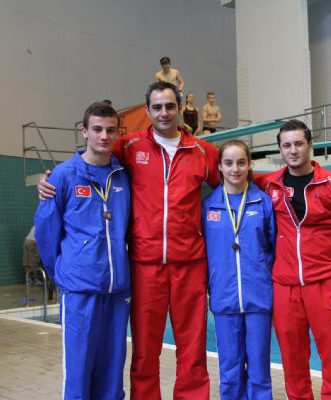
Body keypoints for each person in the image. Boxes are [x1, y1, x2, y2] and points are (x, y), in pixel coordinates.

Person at [38, 82, 219, 399]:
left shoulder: (204, 152)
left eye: (170, 106)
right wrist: (52, 178)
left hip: (190, 262)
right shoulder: (130, 146)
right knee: (145, 351)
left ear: (180, 109)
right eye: (157, 107)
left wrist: (277, 183)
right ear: (147, 110)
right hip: (145, 265)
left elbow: (234, 181)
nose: (164, 113)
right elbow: (91, 159)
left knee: (192, 347)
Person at [253, 119, 331, 399]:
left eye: (298, 144)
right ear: (280, 149)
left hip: (324, 284)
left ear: (310, 145)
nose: (293, 150)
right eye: (286, 145)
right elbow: (235, 181)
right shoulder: (269, 184)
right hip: (285, 286)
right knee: (292, 360)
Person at [34, 101, 131, 399]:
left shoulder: (123, 175)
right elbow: (46, 232)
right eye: (97, 129)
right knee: (79, 368)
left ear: (117, 133)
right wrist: (63, 273)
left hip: (117, 289)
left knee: (113, 368)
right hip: (79, 288)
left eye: (110, 130)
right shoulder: (63, 175)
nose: (104, 136)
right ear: (84, 132)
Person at [202, 140, 276, 399]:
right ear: (220, 167)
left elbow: (274, 247)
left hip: (259, 297)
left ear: (249, 165)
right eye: (229, 163)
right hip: (224, 297)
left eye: (241, 162)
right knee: (230, 370)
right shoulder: (208, 206)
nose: (235, 169)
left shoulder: (263, 203)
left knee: (259, 369)